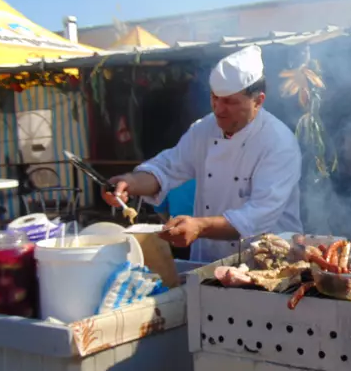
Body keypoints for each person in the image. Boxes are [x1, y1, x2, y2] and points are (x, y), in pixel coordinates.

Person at [103, 45, 303, 262]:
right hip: (207, 259)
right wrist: (130, 183)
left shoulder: (278, 142)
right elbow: (169, 167)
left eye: (229, 101)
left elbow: (258, 216)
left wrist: (199, 226)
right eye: (215, 98)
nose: (218, 109)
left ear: (258, 100)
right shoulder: (203, 129)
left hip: (269, 261)